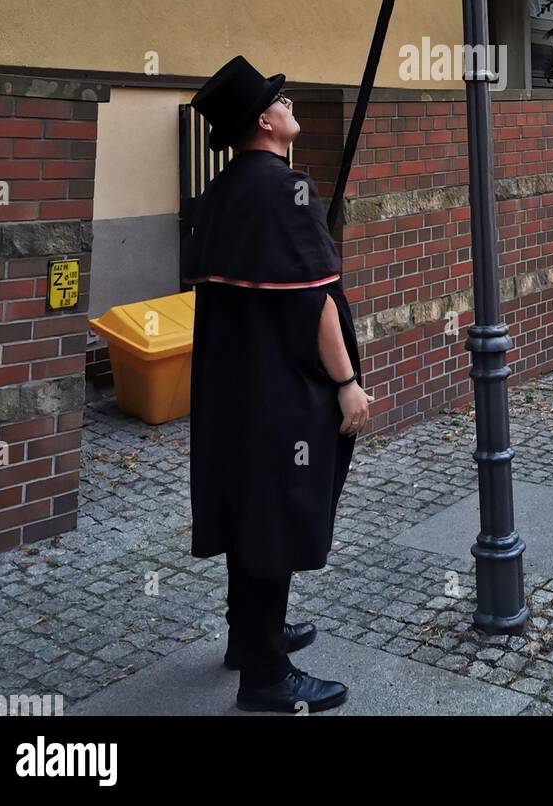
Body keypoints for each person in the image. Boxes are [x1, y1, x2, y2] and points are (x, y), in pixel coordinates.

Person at [182, 55, 371, 713]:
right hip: (282, 390)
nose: (290, 107)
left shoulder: (222, 190)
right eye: (281, 102)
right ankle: (265, 677)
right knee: (279, 509)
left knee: (248, 505)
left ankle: (249, 634)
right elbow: (314, 301)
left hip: (232, 390)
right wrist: (346, 382)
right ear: (266, 121)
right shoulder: (285, 189)